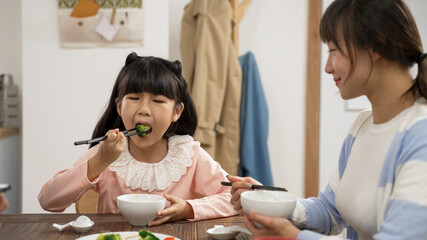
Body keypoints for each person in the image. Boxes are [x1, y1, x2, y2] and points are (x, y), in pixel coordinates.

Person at [228, 0, 427, 239]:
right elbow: (331, 210)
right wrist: (266, 201)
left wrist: (294, 237)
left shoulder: (420, 136)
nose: (327, 67)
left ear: (377, 44)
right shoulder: (362, 126)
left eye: (333, 50)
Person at [38, 52, 237, 225]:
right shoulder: (107, 152)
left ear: (176, 112)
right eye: (134, 99)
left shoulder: (189, 154)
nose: (143, 110)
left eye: (158, 101)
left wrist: (188, 209)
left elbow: (233, 198)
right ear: (119, 106)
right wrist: (100, 161)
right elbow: (48, 201)